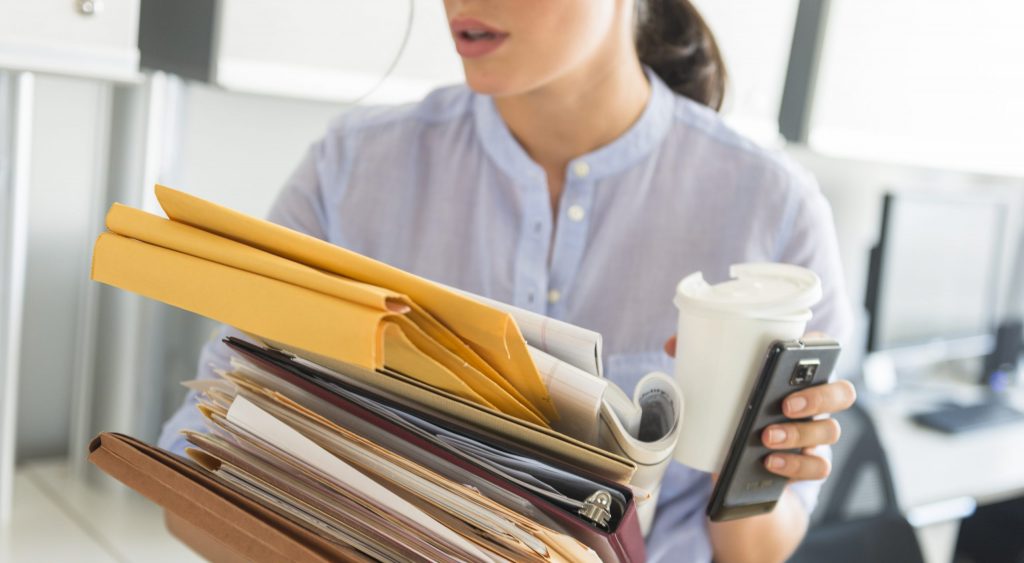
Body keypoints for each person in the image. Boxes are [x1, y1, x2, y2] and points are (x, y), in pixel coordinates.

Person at [159, 0, 857, 561]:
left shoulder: (773, 212)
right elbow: (200, 463)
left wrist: (753, 468)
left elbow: (754, 551)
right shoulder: (349, 172)